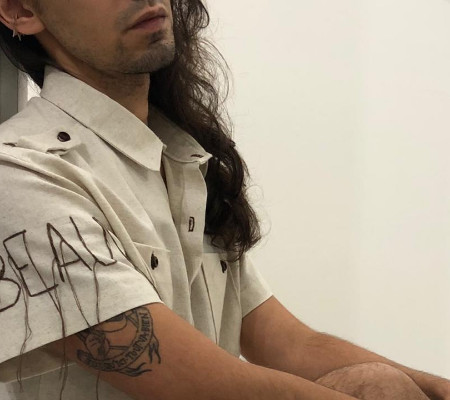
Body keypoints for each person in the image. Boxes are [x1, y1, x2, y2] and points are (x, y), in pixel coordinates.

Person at [0, 0, 448, 399]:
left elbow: (291, 343)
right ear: (21, 11)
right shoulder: (20, 173)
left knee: (377, 382)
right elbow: (202, 386)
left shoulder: (181, 159)